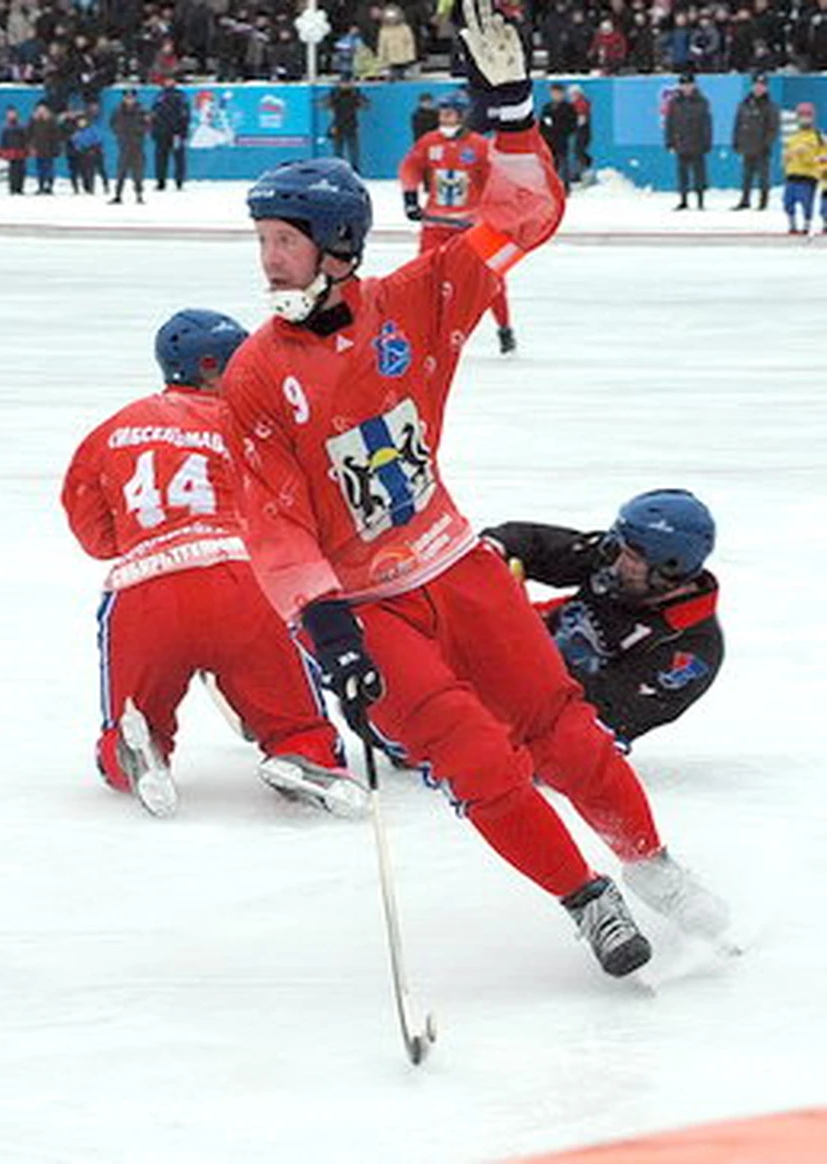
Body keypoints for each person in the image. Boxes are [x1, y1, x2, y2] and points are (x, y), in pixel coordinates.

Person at [223, 2, 729, 981]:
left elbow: (522, 218)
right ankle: (587, 902)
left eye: (281, 241)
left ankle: (653, 866)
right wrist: (326, 628)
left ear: (335, 248)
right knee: (479, 762)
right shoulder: (253, 375)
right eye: (262, 241)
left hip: (458, 565)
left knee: (563, 731)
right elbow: (272, 520)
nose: (266, 259)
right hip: (369, 607)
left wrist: (511, 115)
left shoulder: (420, 298)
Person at [61, 309, 367, 820]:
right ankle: (303, 755)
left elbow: (94, 534)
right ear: (210, 367)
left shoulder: (108, 431)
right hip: (242, 580)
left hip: (142, 590)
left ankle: (134, 748)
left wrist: (149, 536)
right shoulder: (251, 422)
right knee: (296, 721)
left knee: (131, 721)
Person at [482, 490, 723, 750]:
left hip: (546, 733)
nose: (615, 561)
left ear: (669, 570)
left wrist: (517, 642)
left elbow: (602, 709)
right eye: (618, 548)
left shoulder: (691, 653)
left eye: (630, 557)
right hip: (513, 652)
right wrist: (490, 554)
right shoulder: (621, 559)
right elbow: (531, 544)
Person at [399, 91, 516, 354]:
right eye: (442, 114)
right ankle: (425, 331)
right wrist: (409, 197)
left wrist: (494, 215)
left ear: (463, 117)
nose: (444, 119)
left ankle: (504, 328)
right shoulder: (429, 142)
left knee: (490, 278)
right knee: (425, 278)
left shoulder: (479, 146)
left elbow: (495, 182)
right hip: (435, 224)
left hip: (471, 227)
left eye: (450, 114)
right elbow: (410, 167)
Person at [665, 72, 712, 210]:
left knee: (699, 173)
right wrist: (669, 141)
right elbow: (670, 123)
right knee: (682, 173)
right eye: (683, 85)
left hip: (697, 142)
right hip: (681, 142)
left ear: (694, 85)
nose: (686, 87)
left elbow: (707, 123)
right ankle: (683, 199)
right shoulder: (674, 103)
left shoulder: (702, 101)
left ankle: (700, 200)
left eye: (688, 84)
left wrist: (707, 141)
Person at [732, 73, 780, 210]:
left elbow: (773, 128)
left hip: (762, 147)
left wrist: (767, 143)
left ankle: (763, 202)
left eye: (762, 85)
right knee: (746, 175)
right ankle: (745, 200)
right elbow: (738, 124)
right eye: (757, 85)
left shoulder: (770, 106)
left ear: (766, 88)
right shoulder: (744, 104)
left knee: (763, 177)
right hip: (747, 145)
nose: (759, 88)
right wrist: (736, 141)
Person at [782, 102, 826, 235]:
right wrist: (787, 160)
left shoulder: (817, 137)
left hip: (808, 176)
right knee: (788, 202)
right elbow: (787, 155)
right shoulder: (793, 137)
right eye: (801, 116)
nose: (804, 119)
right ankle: (792, 224)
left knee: (806, 202)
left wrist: (808, 157)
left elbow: (822, 157)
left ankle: (807, 224)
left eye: (808, 116)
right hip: (792, 175)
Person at [109, 87, 149, 205]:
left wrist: (138, 132)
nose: (129, 100)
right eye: (127, 98)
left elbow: (148, 125)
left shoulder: (142, 110)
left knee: (138, 171)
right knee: (121, 170)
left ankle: (139, 195)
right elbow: (113, 123)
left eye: (131, 98)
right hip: (124, 143)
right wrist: (120, 132)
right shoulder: (118, 110)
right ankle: (118, 195)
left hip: (137, 144)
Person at [151, 75, 189, 192]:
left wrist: (182, 131)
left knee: (179, 158)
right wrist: (154, 130)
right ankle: (160, 181)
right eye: (166, 80)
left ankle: (179, 182)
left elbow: (186, 114)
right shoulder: (159, 96)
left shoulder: (181, 95)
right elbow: (154, 114)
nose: (168, 82)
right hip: (162, 133)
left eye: (171, 80)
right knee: (161, 158)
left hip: (176, 132)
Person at [323, 77, 368, 173]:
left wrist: (357, 96)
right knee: (338, 151)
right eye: (344, 83)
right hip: (338, 125)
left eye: (349, 83)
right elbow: (325, 105)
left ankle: (355, 170)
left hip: (351, 125)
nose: (346, 85)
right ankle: (338, 171)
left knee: (354, 151)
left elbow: (365, 105)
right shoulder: (334, 93)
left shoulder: (355, 93)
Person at [539, 81, 577, 193]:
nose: (555, 95)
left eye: (558, 93)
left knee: (563, 163)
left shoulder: (568, 108)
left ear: (563, 94)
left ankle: (565, 187)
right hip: (549, 141)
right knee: (550, 165)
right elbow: (541, 124)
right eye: (553, 92)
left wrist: (558, 127)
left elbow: (572, 125)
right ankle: (550, 187)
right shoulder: (547, 107)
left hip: (561, 140)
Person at [27, 99, 59, 194]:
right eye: (39, 109)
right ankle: (40, 186)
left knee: (49, 167)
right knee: (40, 168)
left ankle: (49, 186)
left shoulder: (51, 120)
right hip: (38, 149)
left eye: (43, 109)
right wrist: (31, 146)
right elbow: (29, 133)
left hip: (49, 149)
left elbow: (56, 135)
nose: (41, 111)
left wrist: (55, 148)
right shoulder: (33, 120)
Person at [0, 106, 29, 195]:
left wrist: (27, 149)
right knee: (12, 170)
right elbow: (2, 140)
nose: (11, 115)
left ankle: (20, 188)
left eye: (13, 113)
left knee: (21, 170)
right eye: (9, 114)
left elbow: (26, 138)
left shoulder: (22, 126)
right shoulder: (5, 127)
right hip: (10, 152)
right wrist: (1, 150)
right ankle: (13, 188)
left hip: (21, 151)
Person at [568, 83, 592, 184]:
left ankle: (580, 172)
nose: (572, 97)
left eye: (574, 94)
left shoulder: (581, 103)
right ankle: (578, 172)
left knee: (578, 151)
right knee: (577, 151)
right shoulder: (576, 104)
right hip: (581, 131)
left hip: (582, 132)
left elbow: (581, 120)